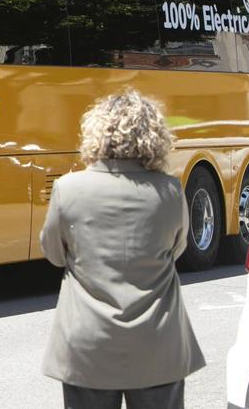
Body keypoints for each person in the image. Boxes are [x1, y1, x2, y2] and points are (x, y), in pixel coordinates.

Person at [40, 89, 204, 409]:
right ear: (154, 135)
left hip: (88, 347)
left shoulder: (67, 189)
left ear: (96, 133)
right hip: (158, 344)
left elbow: (54, 253)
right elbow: (178, 248)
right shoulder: (170, 190)